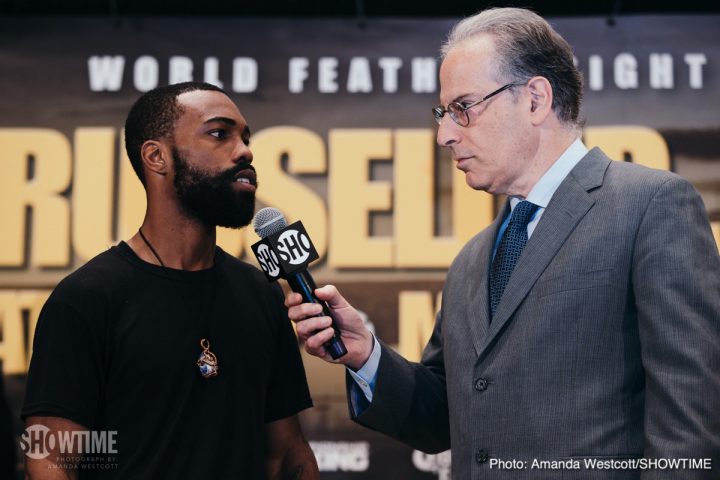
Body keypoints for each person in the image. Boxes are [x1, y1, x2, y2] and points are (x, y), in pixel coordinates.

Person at [286, 7, 720, 479]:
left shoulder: (650, 205)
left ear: (534, 99)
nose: (444, 135)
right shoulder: (472, 258)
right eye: (443, 113)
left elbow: (689, 417)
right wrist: (367, 354)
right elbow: (444, 417)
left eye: (462, 109)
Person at [22, 82, 319, 479]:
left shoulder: (262, 293)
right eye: (219, 133)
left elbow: (286, 456)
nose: (246, 150)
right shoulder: (84, 300)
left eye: (246, 137)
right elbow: (51, 463)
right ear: (156, 156)